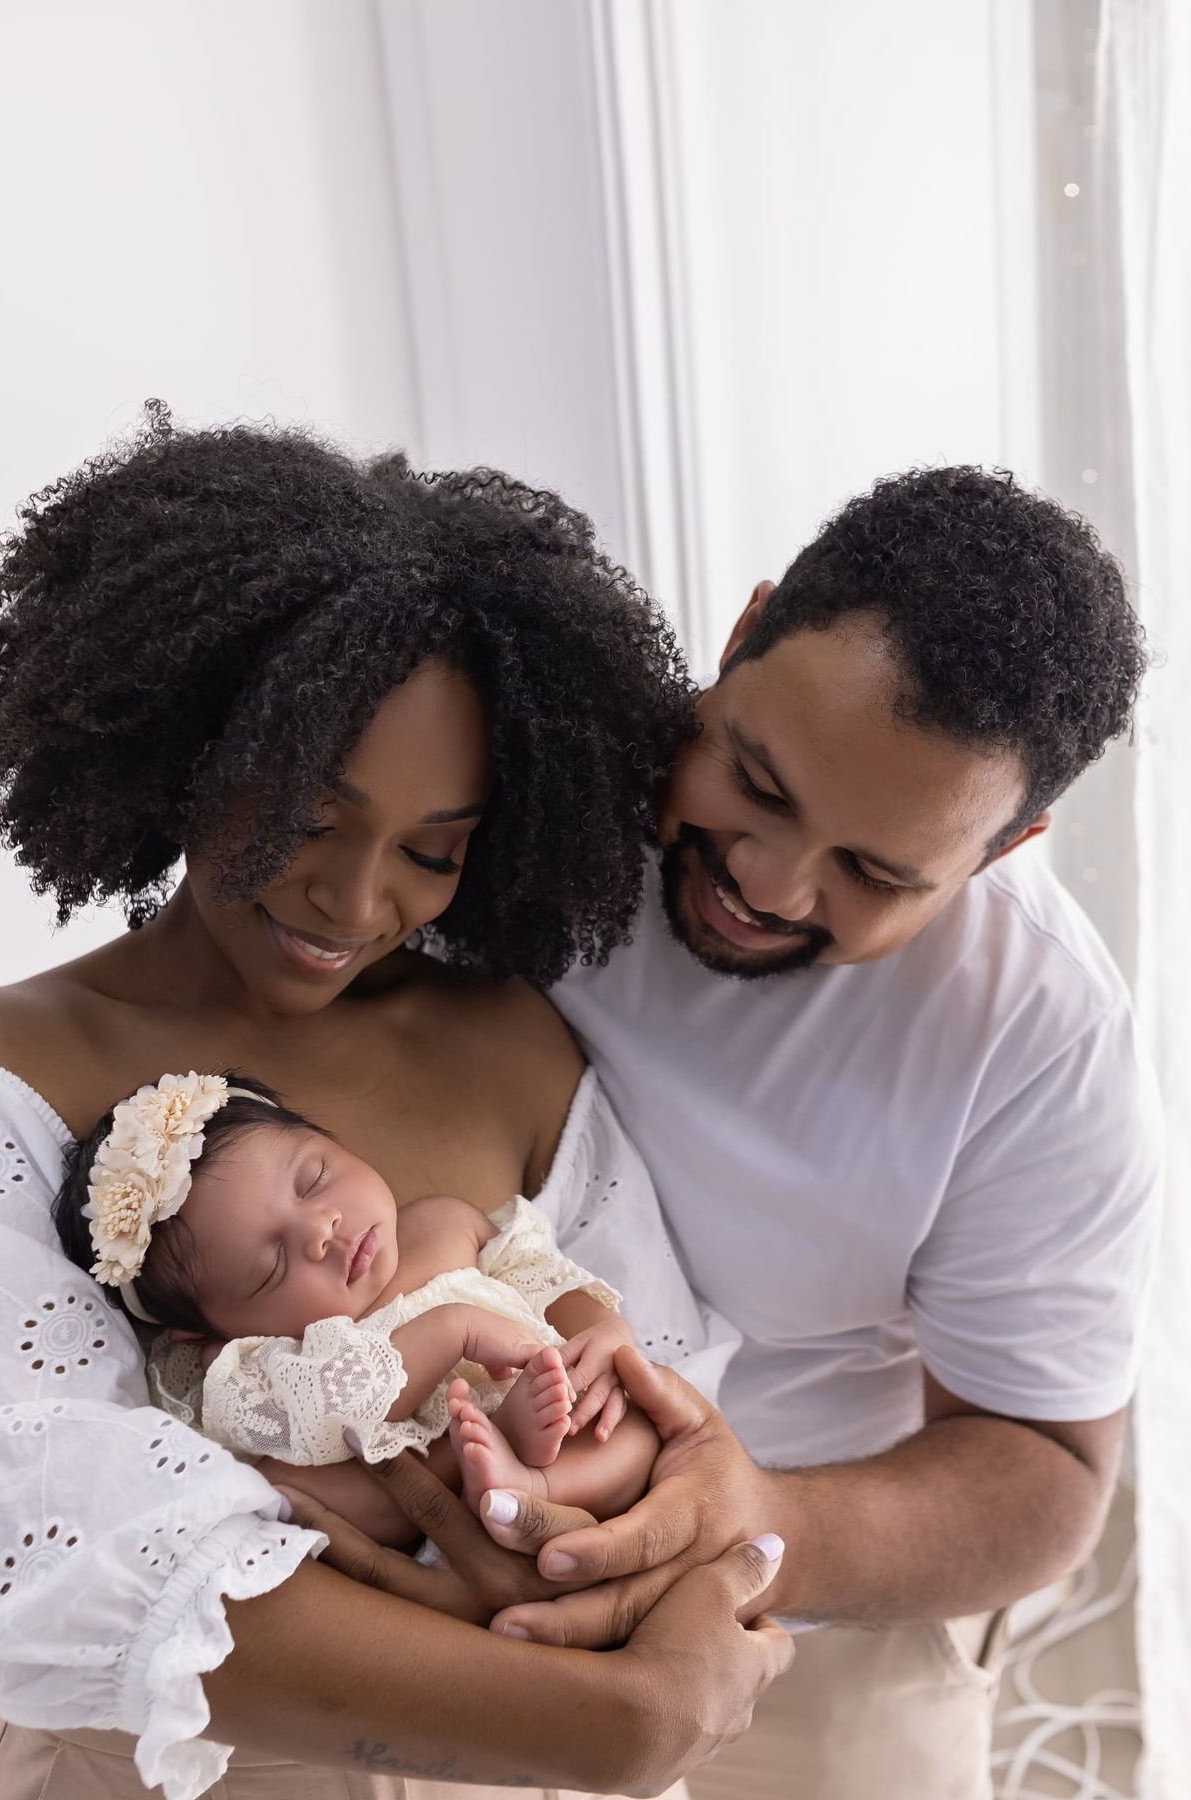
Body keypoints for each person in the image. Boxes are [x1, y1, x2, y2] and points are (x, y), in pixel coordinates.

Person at [0, 409, 791, 1800]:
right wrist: (614, 1719)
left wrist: (597, 1566)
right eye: (304, 818)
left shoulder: (505, 1045)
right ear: (187, 741)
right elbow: (52, 1551)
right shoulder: (19, 1078)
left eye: (433, 851)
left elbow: (672, 1422)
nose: (354, 904)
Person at [416, 467, 1160, 1800]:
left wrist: (755, 1529)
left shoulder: (1039, 1031)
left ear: (1002, 850)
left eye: (875, 873)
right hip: (429, 1574)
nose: (767, 881)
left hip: (816, 1620)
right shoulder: (513, 775)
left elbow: (1046, 1467)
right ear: (742, 633)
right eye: (755, 780)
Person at [55, 1068, 662, 1530]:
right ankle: (503, 1472)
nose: (322, 1229)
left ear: (327, 1137)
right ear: (211, 1332)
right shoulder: (256, 1362)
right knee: (295, 1483)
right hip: (435, 1492)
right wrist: (449, 1331)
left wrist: (609, 1334)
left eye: (314, 1178)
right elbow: (327, 1417)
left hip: (572, 1435)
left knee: (631, 1426)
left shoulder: (446, 1223)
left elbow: (546, 1276)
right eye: (272, 1264)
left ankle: (537, 1485)